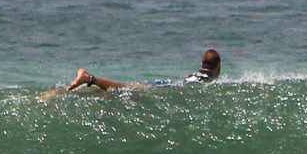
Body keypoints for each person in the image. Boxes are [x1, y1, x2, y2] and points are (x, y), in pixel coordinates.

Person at [66, 49, 221, 92]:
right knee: (123, 88)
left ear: (202, 63)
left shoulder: (198, 73)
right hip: (167, 87)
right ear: (218, 65)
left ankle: (64, 91)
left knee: (122, 89)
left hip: (166, 83)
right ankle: (90, 78)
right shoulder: (210, 77)